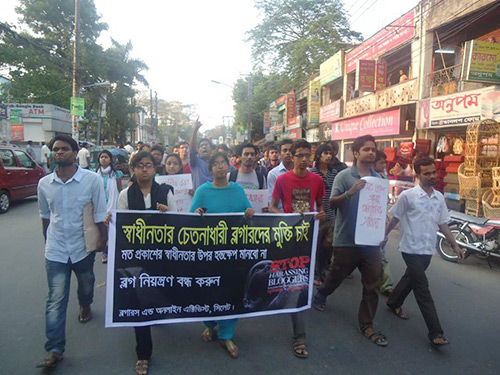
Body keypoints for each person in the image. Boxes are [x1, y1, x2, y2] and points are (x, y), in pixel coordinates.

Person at [36, 135, 107, 368]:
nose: (59, 153)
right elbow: (45, 216)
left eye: (64, 149)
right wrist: (48, 241)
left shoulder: (91, 180)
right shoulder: (44, 184)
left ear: (75, 153)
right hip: (56, 250)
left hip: (82, 248)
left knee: (86, 284)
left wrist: (103, 241)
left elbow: (99, 214)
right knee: (56, 299)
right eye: (55, 149)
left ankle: (85, 303)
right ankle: (55, 348)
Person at [314, 135, 389, 347]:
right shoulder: (345, 176)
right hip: (346, 240)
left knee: (373, 284)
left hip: (371, 243)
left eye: (373, 149)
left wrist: (382, 230)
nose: (371, 153)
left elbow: (380, 209)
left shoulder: (380, 180)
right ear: (355, 153)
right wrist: (351, 192)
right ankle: (322, 293)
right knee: (336, 275)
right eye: (366, 149)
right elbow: (332, 203)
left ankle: (366, 324)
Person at [382, 157, 464, 346]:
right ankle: (435, 332)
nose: (432, 176)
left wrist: (455, 245)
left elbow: (443, 223)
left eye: (433, 172)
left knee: (410, 279)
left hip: (427, 250)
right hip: (410, 248)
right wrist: (384, 235)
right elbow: (395, 218)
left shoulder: (439, 198)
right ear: (417, 175)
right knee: (422, 288)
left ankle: (394, 302)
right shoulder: (407, 196)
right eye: (427, 173)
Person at [190, 152, 255, 359]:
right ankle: (209, 324)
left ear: (229, 167)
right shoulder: (202, 191)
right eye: (215, 164)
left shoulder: (237, 190)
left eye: (223, 163)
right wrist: (197, 213)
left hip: (233, 252)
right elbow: (190, 218)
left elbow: (248, 212)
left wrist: (249, 213)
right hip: (209, 253)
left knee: (231, 291)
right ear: (210, 170)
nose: (219, 167)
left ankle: (226, 334)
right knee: (209, 290)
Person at [116, 151, 176, 375]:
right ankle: (143, 354)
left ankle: (157, 313)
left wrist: (168, 212)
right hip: (135, 257)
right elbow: (121, 224)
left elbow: (178, 221)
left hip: (161, 256)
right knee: (138, 301)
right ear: (133, 169)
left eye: (148, 165)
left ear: (155, 168)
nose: (144, 169)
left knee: (160, 294)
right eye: (139, 165)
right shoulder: (125, 194)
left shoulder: (165, 192)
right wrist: (111, 220)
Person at [269, 139, 326, 359]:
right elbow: (272, 207)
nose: (304, 159)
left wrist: (320, 215)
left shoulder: (317, 180)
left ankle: (299, 336)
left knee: (299, 282)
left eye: (307, 155)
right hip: (286, 237)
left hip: (308, 238)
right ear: (291, 157)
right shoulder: (282, 180)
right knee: (285, 278)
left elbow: (320, 206)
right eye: (299, 155)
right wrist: (285, 217)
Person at [309, 144, 338, 285]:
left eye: (330, 153)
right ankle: (314, 273)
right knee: (315, 245)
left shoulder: (335, 173)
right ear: (319, 155)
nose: (328, 156)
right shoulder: (312, 172)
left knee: (328, 245)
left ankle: (322, 269)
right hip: (316, 216)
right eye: (325, 153)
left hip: (331, 215)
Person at [95, 150, 123, 263]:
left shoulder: (117, 174)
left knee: (112, 230)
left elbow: (120, 190)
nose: (103, 159)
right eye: (101, 157)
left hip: (113, 205)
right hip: (100, 206)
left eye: (106, 157)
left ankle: (108, 252)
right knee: (102, 231)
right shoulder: (94, 173)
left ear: (110, 159)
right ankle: (104, 251)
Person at [373, 150, 393, 295]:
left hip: (379, 218)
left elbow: (385, 199)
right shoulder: (365, 178)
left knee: (381, 252)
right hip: (365, 220)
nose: (384, 165)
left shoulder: (383, 178)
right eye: (381, 162)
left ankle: (386, 284)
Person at [267, 139, 294, 207]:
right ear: (280, 154)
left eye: (290, 150)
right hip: (280, 214)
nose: (288, 153)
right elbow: (271, 199)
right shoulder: (273, 174)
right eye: (285, 150)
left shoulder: (304, 172)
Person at [189, 120, 214, 190]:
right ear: (198, 150)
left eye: (206, 145)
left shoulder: (216, 162)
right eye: (201, 146)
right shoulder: (195, 162)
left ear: (211, 149)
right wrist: (195, 130)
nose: (204, 147)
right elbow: (192, 150)